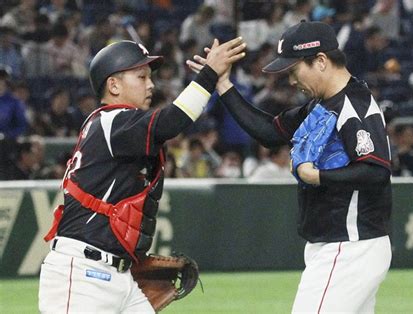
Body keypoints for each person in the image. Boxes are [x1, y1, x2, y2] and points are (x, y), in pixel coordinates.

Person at [188, 21, 392, 313]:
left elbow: (376, 171)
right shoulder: (321, 105)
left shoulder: (354, 106)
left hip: (349, 246)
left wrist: (318, 176)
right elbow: (269, 133)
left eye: (294, 70)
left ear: (320, 61)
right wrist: (223, 85)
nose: (292, 81)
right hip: (339, 246)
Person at [38, 37, 246, 313]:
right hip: (82, 277)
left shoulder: (122, 128)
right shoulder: (112, 121)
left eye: (150, 77)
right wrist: (209, 75)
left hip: (120, 276)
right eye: (141, 76)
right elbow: (172, 121)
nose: (151, 84)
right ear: (113, 85)